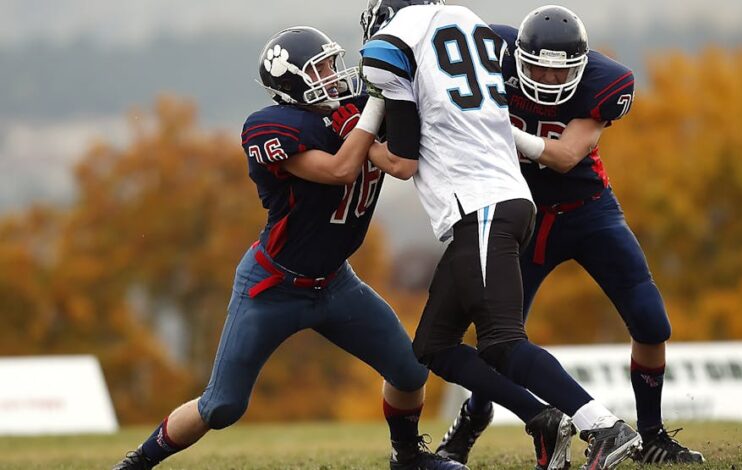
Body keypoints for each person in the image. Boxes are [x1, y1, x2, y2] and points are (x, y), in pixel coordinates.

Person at [112, 26, 466, 470]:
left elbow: (399, 162)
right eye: (320, 68)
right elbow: (339, 169)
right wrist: (373, 110)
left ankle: (408, 456)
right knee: (222, 406)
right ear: (290, 82)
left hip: (336, 282)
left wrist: (397, 90)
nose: (333, 76)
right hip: (274, 286)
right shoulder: (273, 128)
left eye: (333, 64)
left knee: (411, 371)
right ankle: (137, 463)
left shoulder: (352, 108)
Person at [360, 1, 641, 469]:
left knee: (502, 342)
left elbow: (404, 163)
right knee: (434, 347)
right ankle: (542, 419)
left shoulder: (400, 41)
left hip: (483, 206)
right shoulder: (469, 23)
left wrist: (362, 135)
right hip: (495, 202)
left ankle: (605, 427)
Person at [436, 5, 705, 466]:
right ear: (517, 56)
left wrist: (494, 126)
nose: (547, 79)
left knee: (651, 321)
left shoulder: (607, 81)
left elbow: (563, 156)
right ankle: (472, 418)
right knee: (496, 343)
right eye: (537, 65)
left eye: (561, 72)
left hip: (587, 212)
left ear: (583, 66)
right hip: (517, 217)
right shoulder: (487, 51)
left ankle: (652, 433)